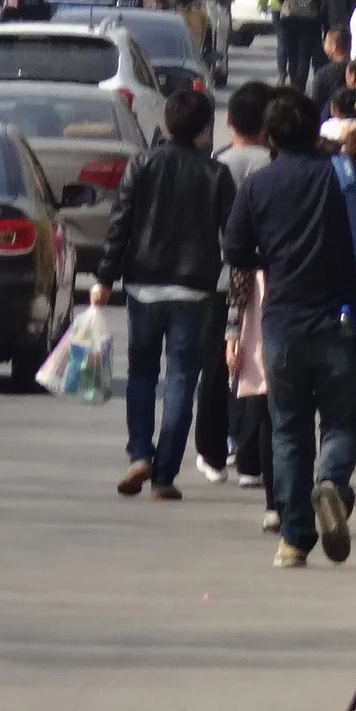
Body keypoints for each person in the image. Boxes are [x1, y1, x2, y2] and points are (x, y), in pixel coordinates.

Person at [222, 86, 356, 567]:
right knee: (345, 421)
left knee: (287, 431)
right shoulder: (345, 176)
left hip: (282, 322)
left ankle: (294, 539)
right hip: (342, 320)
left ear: (267, 136)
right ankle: (331, 480)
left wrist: (273, 258)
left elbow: (235, 250)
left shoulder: (258, 186)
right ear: (315, 128)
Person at [92, 88, 237, 500]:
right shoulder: (216, 175)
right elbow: (234, 236)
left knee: (142, 373)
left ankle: (140, 451)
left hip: (143, 285)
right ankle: (163, 475)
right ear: (204, 128)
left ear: (166, 123)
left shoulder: (143, 164)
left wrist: (104, 278)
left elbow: (120, 224)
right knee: (180, 380)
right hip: (194, 291)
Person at [215, 78, 274, 493]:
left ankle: (229, 439)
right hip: (260, 273)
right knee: (254, 359)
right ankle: (247, 443)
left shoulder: (218, 162)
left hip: (219, 274)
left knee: (226, 360)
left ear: (230, 120)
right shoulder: (272, 163)